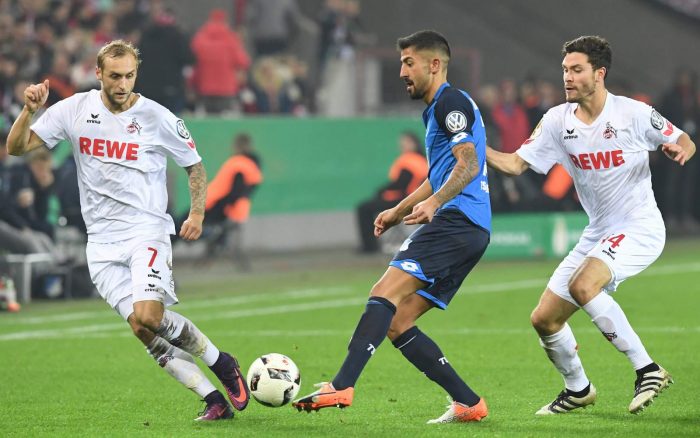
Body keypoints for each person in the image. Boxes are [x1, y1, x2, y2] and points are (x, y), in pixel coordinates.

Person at [6, 40, 250, 421]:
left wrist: (197, 214)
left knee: (150, 315)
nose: (122, 84)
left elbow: (195, 166)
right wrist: (28, 110)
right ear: (99, 73)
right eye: (115, 76)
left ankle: (220, 361)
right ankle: (212, 399)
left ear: (137, 74)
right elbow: (17, 147)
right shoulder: (75, 109)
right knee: (141, 328)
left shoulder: (156, 116)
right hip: (100, 243)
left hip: (146, 230)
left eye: (129, 76)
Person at [485, 36, 696, 415]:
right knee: (545, 319)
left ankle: (647, 369)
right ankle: (578, 389)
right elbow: (516, 164)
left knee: (584, 285)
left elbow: (683, 138)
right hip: (597, 231)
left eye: (576, 69)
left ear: (599, 74)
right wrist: (474, 146)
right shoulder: (555, 121)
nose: (567, 76)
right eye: (565, 69)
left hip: (639, 226)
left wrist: (681, 148)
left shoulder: (632, 113)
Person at [293, 30, 491, 424]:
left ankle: (342, 385)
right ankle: (469, 403)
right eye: (402, 62)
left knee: (384, 291)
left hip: (456, 220)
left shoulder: (450, 102)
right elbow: (442, 172)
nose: (402, 70)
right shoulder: (437, 107)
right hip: (470, 228)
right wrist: (401, 208)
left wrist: (433, 204)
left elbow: (467, 165)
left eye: (409, 62)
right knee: (398, 322)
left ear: (434, 64)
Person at [356, 131, 427, 253]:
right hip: (416, 199)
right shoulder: (422, 160)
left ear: (414, 144)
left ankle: (370, 246)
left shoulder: (410, 161)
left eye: (406, 142)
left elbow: (401, 184)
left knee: (364, 208)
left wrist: (381, 191)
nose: (402, 144)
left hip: (405, 200)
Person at [200, 132, 263, 269]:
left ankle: (215, 255)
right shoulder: (251, 163)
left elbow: (237, 188)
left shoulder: (240, 163)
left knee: (226, 233)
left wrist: (229, 204)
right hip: (237, 205)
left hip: (230, 205)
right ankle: (217, 255)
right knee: (230, 234)